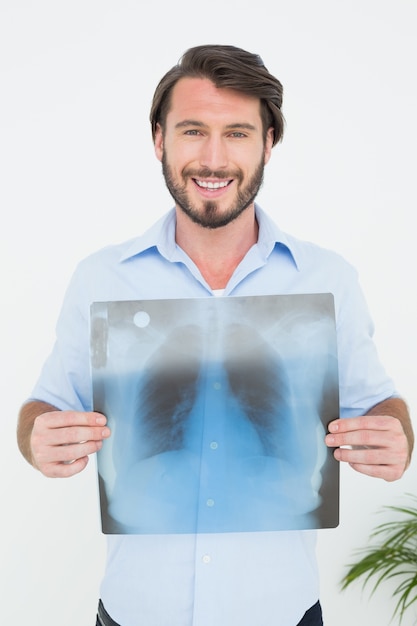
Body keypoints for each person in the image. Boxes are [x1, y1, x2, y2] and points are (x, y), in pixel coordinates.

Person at [17, 44, 413, 626]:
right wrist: (37, 440)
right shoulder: (101, 278)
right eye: (193, 130)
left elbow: (379, 403)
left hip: (282, 612)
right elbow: (43, 408)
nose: (212, 157)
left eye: (237, 133)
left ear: (268, 144)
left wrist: (397, 436)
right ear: (159, 140)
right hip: (134, 612)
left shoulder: (328, 279)